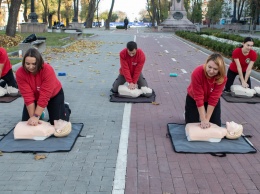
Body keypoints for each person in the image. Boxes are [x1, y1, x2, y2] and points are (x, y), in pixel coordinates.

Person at [16, 48, 71, 126]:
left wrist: (36, 116)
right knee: (27, 122)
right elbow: (28, 96)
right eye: (27, 64)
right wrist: (33, 117)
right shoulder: (20, 73)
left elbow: (45, 96)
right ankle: (40, 113)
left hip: (53, 95)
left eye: (34, 64)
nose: (30, 67)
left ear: (38, 62)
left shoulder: (47, 70)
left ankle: (65, 108)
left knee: (56, 123)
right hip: (34, 97)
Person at [185, 53, 227, 128]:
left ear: (219, 69)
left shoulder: (222, 78)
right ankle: (189, 112)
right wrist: (203, 119)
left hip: (210, 99)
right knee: (192, 124)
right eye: (209, 67)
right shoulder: (197, 73)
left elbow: (214, 98)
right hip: (194, 98)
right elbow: (198, 97)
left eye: (215, 69)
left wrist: (207, 119)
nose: (211, 71)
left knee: (215, 124)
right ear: (206, 64)